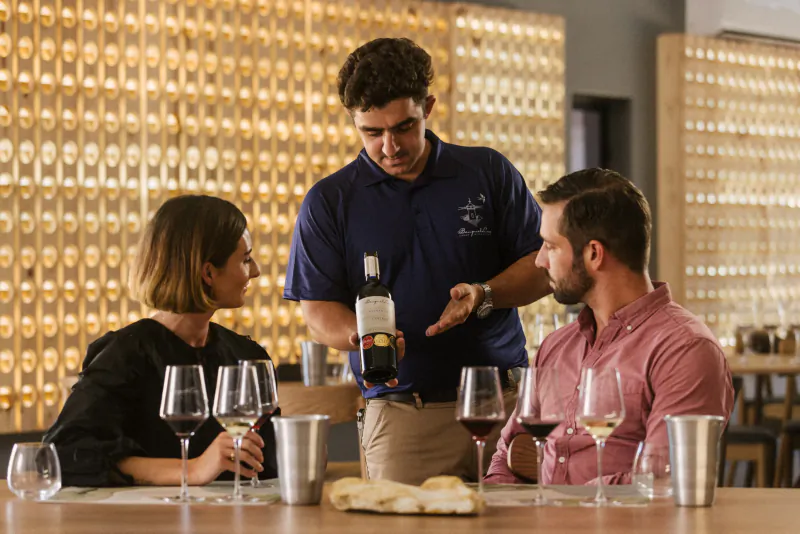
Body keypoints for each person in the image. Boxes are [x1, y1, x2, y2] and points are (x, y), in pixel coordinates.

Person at [284, 37, 551, 485]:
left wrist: (485, 295)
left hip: (507, 405)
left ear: (428, 106)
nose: (390, 147)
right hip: (404, 414)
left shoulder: (488, 171)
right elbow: (316, 314)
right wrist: (366, 336)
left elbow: (542, 268)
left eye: (404, 127)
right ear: (354, 122)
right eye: (372, 132)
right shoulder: (329, 202)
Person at [485, 168, 734, 485]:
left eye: (550, 247)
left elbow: (662, 481)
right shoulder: (556, 346)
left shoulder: (686, 350)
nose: (539, 262)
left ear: (593, 254)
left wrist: (568, 504)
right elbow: (505, 458)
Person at [44, 195, 278, 486]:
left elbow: (269, 468)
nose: (255, 271)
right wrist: (193, 470)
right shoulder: (126, 354)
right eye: (245, 259)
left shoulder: (248, 355)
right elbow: (63, 453)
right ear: (208, 273)